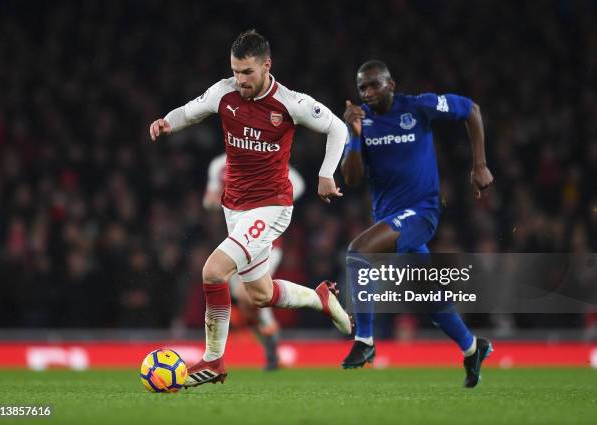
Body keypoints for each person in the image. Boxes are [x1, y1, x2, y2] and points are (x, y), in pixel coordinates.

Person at [149, 29, 351, 387]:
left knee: (213, 272)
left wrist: (325, 173)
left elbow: (337, 128)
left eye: (247, 72)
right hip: (236, 207)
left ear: (267, 66)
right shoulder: (223, 92)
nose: (240, 80)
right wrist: (167, 122)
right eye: (236, 71)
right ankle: (319, 297)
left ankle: (213, 361)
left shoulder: (291, 102)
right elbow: (190, 112)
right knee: (260, 294)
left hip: (272, 206)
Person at [340, 60, 494, 387]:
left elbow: (472, 110)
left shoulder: (418, 106)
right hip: (392, 221)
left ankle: (364, 341)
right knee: (429, 297)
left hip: (421, 213)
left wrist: (479, 165)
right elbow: (351, 179)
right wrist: (354, 136)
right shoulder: (361, 122)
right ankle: (472, 348)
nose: (367, 92)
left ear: (391, 84)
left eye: (373, 84)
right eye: (362, 87)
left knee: (358, 252)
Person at [203, 153, 306, 371]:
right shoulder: (218, 165)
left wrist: (272, 198)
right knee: (250, 301)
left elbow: (298, 184)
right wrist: (212, 202)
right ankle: (272, 351)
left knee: (246, 293)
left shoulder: (266, 157)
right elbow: (209, 199)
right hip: (235, 241)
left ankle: (268, 351)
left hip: (267, 242)